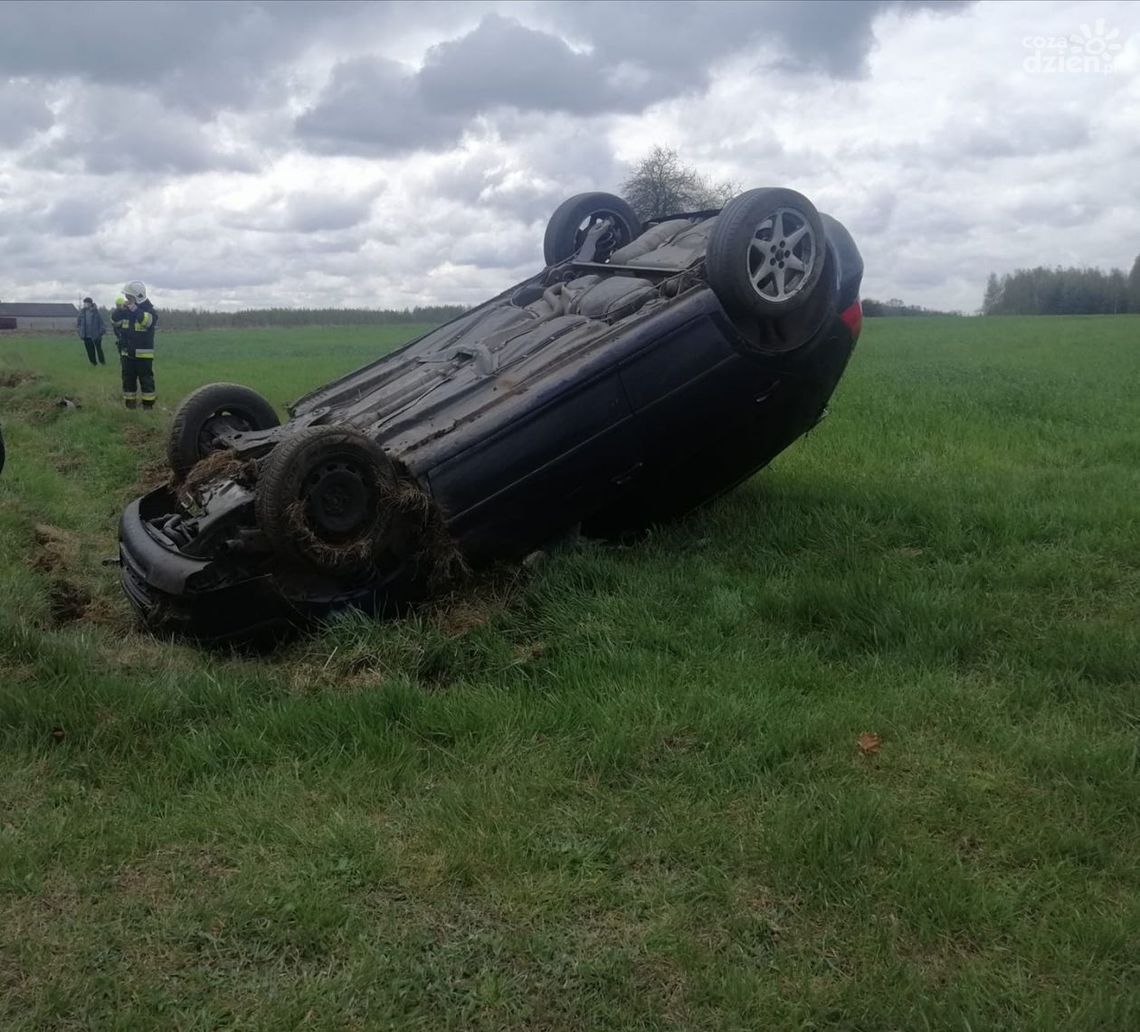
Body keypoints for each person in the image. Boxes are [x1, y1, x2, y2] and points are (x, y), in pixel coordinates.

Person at [118, 280, 158, 409]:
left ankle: (148, 406)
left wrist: (135, 309)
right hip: (126, 353)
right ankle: (130, 405)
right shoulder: (127, 311)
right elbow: (114, 320)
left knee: (146, 381)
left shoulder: (150, 311)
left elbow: (146, 321)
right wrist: (120, 310)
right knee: (128, 380)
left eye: (129, 297)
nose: (127, 299)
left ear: (137, 297)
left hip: (143, 355)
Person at [76, 297, 106, 366]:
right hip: (86, 335)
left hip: (96, 335)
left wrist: (101, 332)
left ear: (90, 303)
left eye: (87, 303)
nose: (85, 304)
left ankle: (102, 362)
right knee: (90, 350)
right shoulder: (82, 312)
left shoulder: (96, 312)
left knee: (99, 350)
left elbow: (101, 323)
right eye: (84, 303)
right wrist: (80, 332)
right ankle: (93, 363)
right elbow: (78, 323)